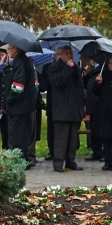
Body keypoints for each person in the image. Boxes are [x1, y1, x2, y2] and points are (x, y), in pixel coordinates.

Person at [47, 45, 85, 173]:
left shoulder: (75, 68)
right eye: (67, 54)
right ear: (60, 55)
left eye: (71, 54)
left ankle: (71, 161)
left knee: (73, 139)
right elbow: (58, 81)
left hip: (74, 108)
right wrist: (68, 69)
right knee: (61, 138)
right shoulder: (53, 68)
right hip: (61, 109)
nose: (69, 56)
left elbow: (79, 86)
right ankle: (58, 163)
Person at [3, 44, 38, 168]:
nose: (7, 52)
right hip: (21, 106)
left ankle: (21, 161)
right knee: (19, 135)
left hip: (19, 106)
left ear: (16, 49)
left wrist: (9, 100)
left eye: (9, 49)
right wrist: (7, 68)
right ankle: (21, 160)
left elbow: (18, 86)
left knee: (18, 136)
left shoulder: (21, 63)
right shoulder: (19, 62)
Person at [81, 56, 104, 162]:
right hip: (92, 104)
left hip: (100, 104)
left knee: (100, 129)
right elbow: (87, 85)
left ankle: (103, 152)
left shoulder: (103, 69)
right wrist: (85, 76)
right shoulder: (93, 69)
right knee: (94, 129)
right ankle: (96, 151)